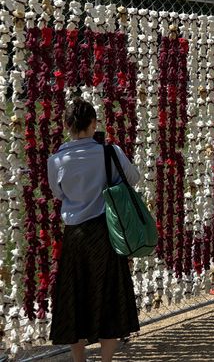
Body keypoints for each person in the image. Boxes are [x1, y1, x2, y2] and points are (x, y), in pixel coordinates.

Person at [47, 98, 141, 362]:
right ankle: (106, 359)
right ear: (94, 123)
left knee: (74, 297)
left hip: (75, 235)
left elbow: (59, 193)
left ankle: (79, 360)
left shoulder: (57, 160)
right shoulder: (109, 152)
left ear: (67, 125)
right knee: (108, 295)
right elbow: (133, 179)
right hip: (106, 232)